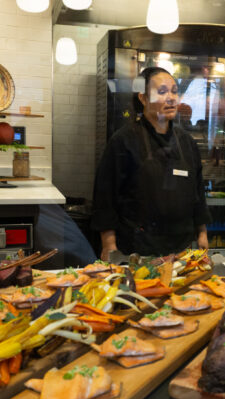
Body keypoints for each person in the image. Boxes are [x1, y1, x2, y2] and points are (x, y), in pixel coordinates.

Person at [91, 67, 210, 260]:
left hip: (182, 250)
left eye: (174, 91)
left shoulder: (187, 142)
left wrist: (202, 234)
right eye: (162, 92)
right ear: (143, 99)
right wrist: (108, 245)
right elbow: (105, 198)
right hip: (137, 250)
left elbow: (198, 194)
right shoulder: (123, 140)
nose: (171, 98)